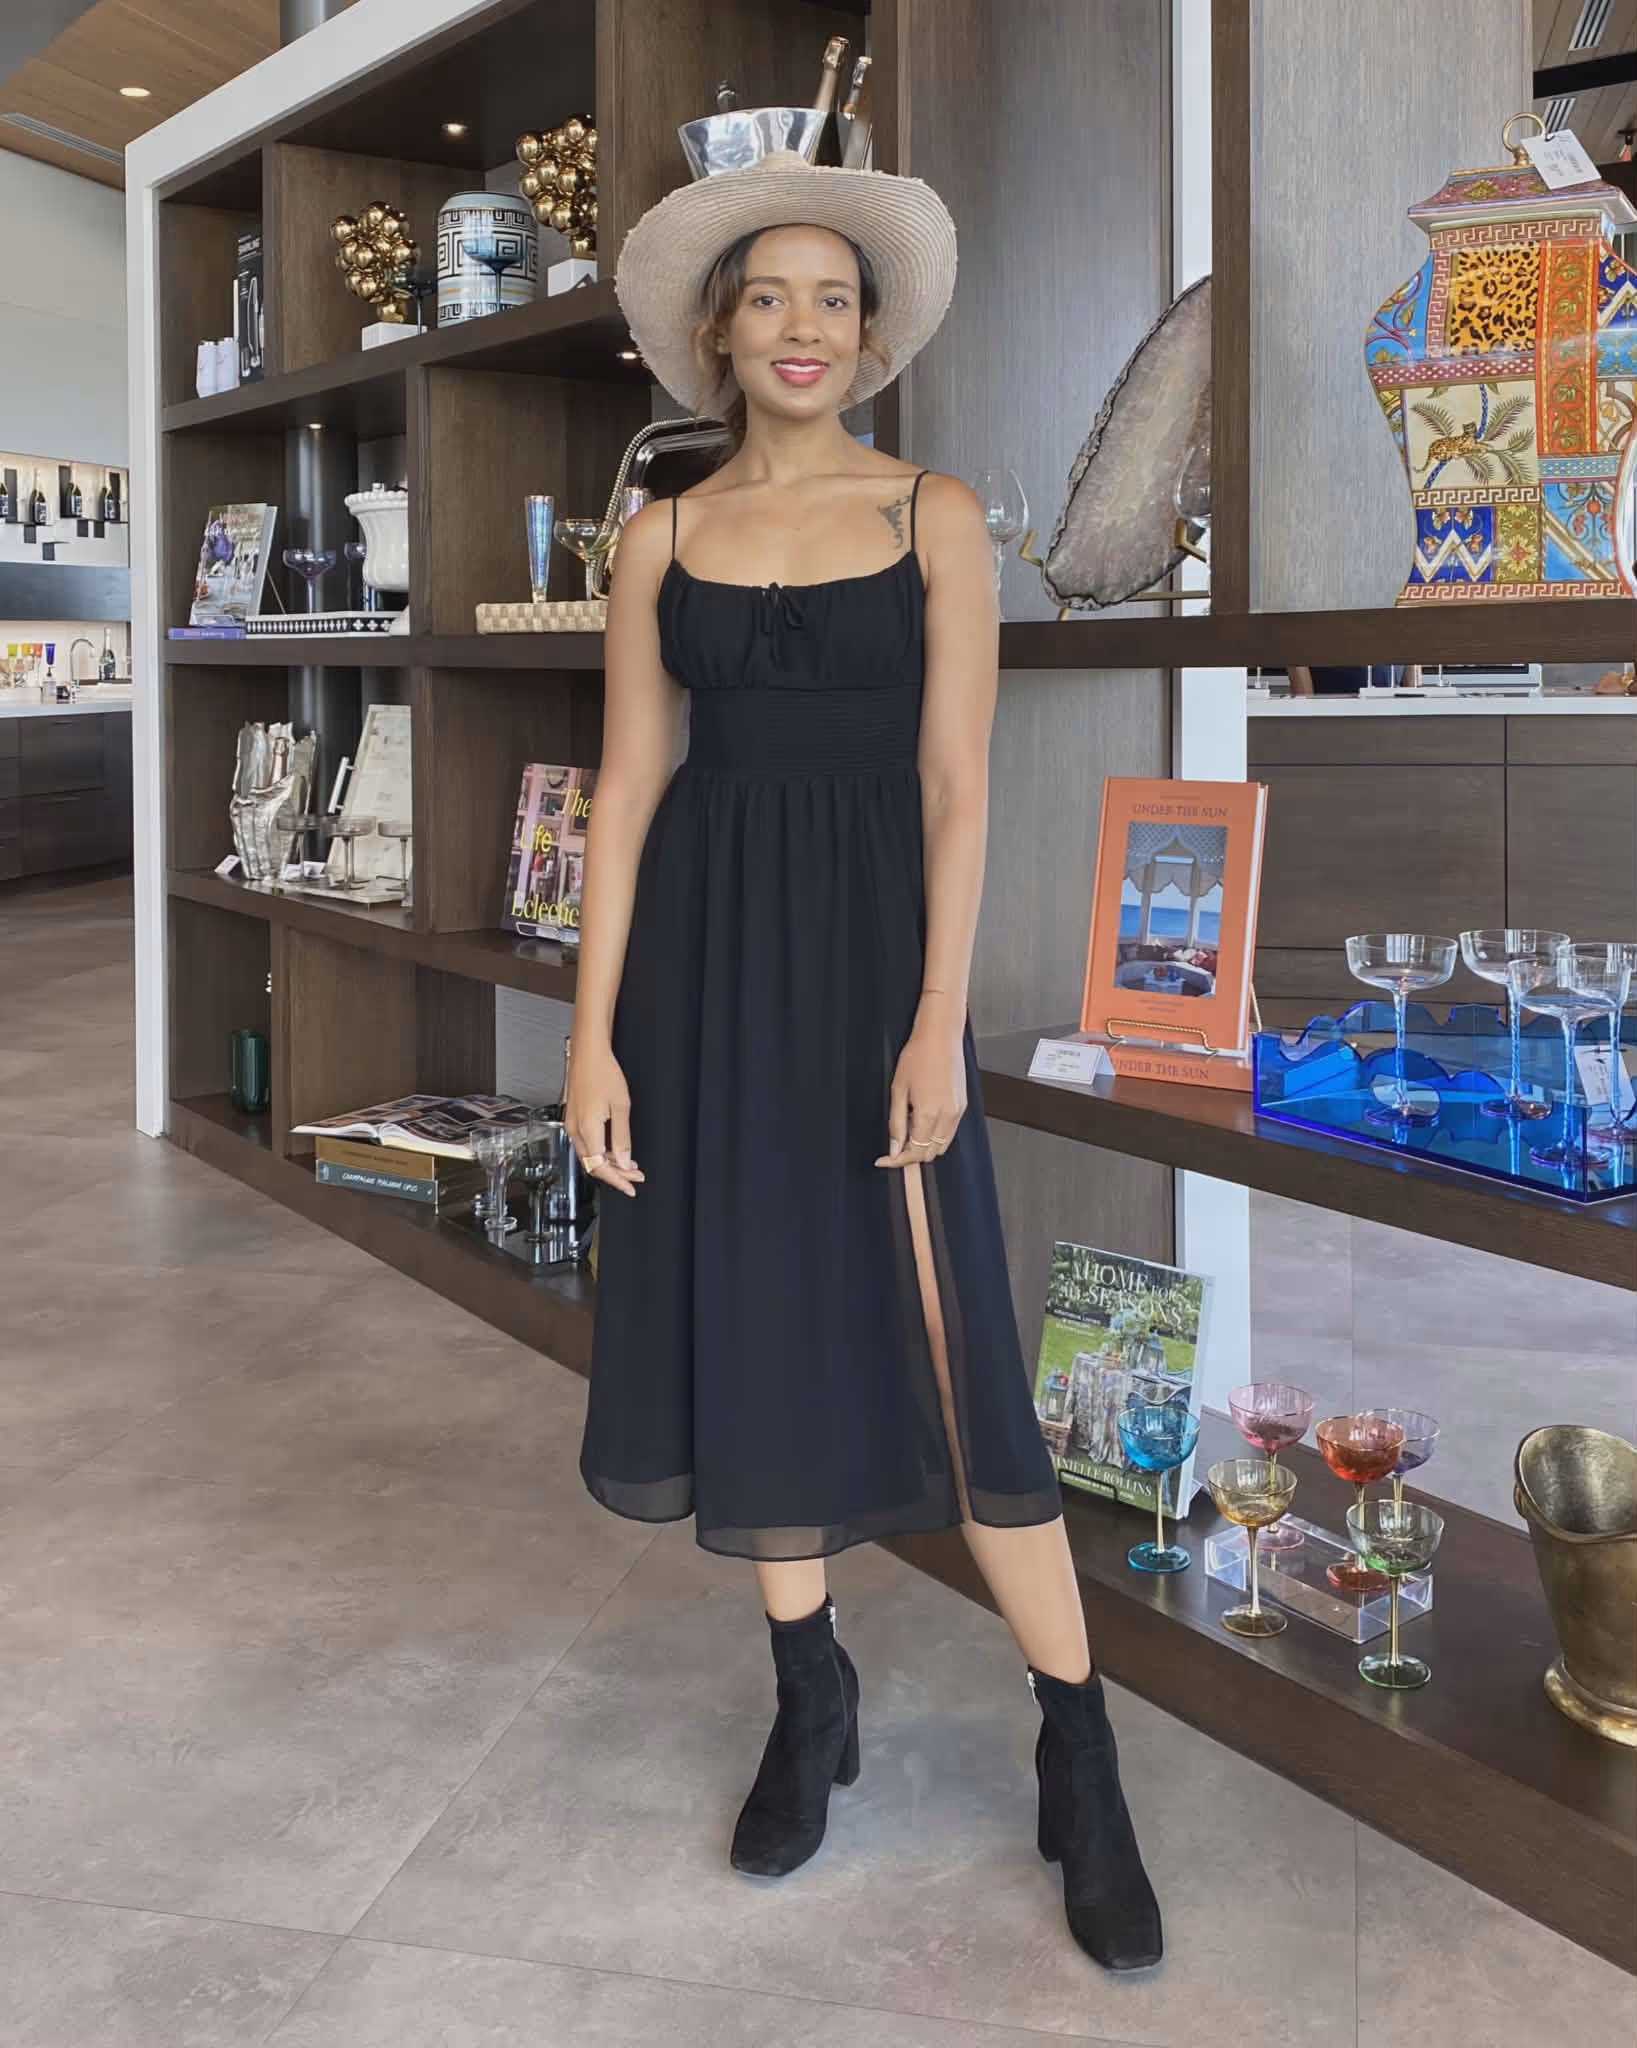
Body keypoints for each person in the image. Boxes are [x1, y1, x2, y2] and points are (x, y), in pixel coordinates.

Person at [567, 149, 1161, 1974]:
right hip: (701, 973)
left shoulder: (939, 518)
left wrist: (934, 1019)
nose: (803, 326)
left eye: (834, 297)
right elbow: (630, 793)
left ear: (874, 332)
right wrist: (592, 1036)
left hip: (872, 977)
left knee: (955, 1345)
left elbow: (958, 784)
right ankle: (807, 1696)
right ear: (717, 335)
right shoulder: (661, 534)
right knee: (750, 1316)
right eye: (770, 298)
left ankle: (1082, 1749)